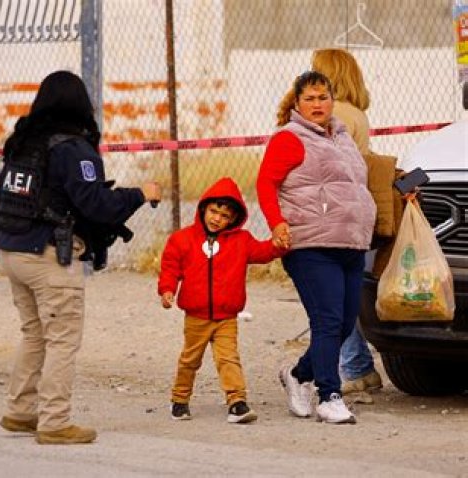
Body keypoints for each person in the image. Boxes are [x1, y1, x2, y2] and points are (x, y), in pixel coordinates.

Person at [0, 70, 161, 445]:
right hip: (49, 257)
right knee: (61, 340)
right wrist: (140, 194)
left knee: (34, 334)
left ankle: (20, 411)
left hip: (13, 251)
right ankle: (54, 422)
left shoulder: (25, 142)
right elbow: (96, 204)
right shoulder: (72, 149)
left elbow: (1, 196)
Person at [257, 71, 376, 424]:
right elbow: (266, 183)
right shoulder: (289, 139)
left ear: (332, 101)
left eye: (323, 97)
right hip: (310, 244)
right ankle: (329, 396)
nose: (317, 104)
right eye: (309, 98)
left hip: (351, 242)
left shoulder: (342, 137)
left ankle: (297, 375)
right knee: (326, 321)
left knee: (344, 325)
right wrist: (277, 223)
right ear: (297, 103)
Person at [158, 177, 285, 424]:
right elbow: (170, 268)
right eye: (213, 211)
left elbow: (263, 252)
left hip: (227, 316)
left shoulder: (241, 241)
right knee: (190, 360)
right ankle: (179, 400)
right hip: (196, 316)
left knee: (228, 359)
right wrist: (167, 290)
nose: (217, 218)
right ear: (203, 208)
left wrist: (278, 245)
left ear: (234, 219)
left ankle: (237, 402)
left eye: (225, 216)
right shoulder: (182, 239)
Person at [311, 48, 384, 395]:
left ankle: (354, 366)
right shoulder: (357, 113)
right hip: (355, 208)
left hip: (333, 211)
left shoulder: (334, 113)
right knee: (343, 289)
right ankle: (360, 366)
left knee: (329, 294)